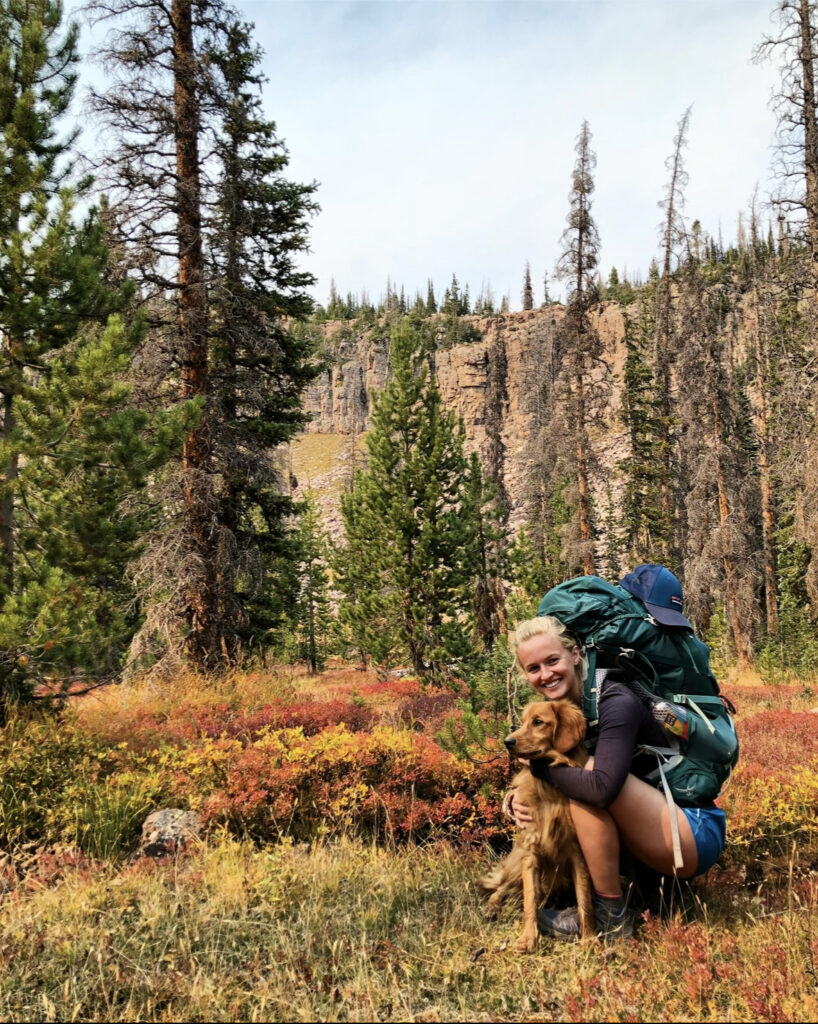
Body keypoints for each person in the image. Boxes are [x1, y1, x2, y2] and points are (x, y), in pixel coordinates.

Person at [506, 610, 727, 942]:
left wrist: (540, 768)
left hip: (692, 833)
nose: (545, 674)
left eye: (552, 660)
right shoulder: (570, 709)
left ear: (576, 653)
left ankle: (609, 920)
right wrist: (516, 796)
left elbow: (601, 789)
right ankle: (647, 896)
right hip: (657, 828)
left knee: (588, 779)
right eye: (533, 668)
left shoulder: (615, 699)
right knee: (580, 776)